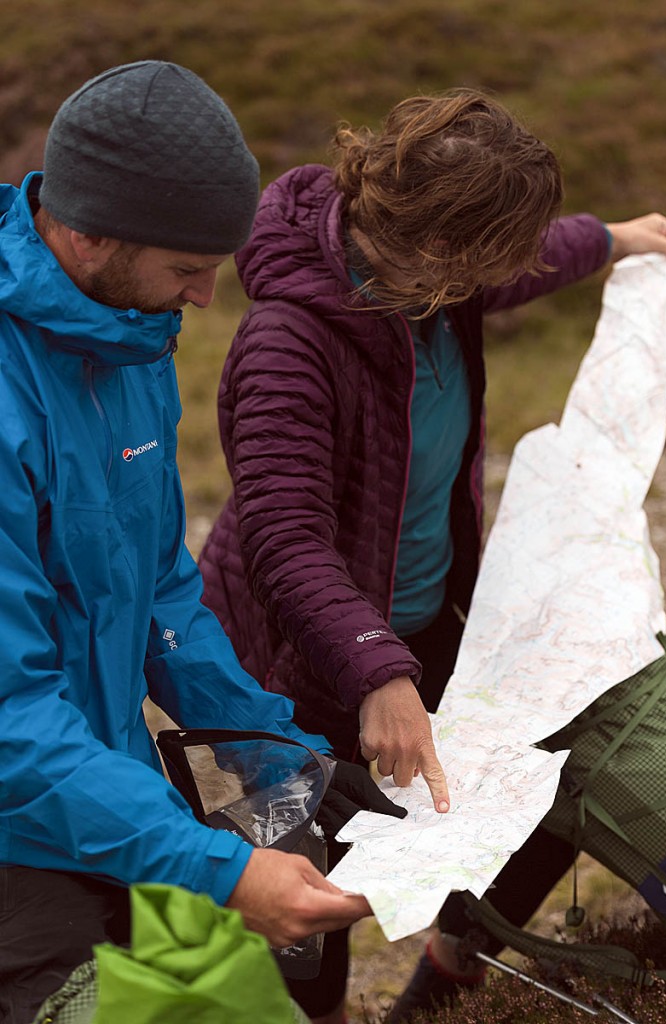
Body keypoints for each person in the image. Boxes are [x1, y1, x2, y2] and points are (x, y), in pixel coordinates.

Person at [198, 88, 666, 1023]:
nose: (510, 269)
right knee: (304, 894)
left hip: (422, 623)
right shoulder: (287, 343)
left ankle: (451, 966)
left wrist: (617, 237)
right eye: (497, 249)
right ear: (444, 246)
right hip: (285, 666)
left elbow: (530, 267)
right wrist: (378, 674)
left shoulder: (432, 286)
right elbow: (282, 537)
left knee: (538, 776)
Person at [0, 60, 408, 1024]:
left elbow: (162, 593)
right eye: (187, 270)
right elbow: (9, 716)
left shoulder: (127, 335)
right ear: (88, 230)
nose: (205, 300)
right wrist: (220, 868)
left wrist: (280, 762)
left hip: (98, 797)